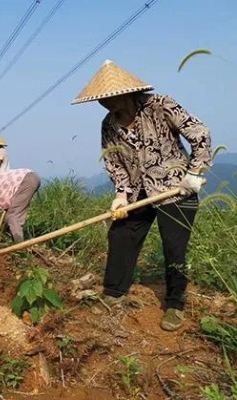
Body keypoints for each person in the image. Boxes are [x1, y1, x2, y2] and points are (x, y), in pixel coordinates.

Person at [71, 60, 211, 331]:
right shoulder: (109, 125)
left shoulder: (161, 105)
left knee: (174, 246)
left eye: (109, 96)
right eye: (100, 98)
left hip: (176, 188)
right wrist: (121, 196)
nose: (105, 102)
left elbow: (200, 134)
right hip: (139, 193)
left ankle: (175, 304)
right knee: (120, 233)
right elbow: (115, 163)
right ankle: (113, 293)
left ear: (127, 91)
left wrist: (193, 172)